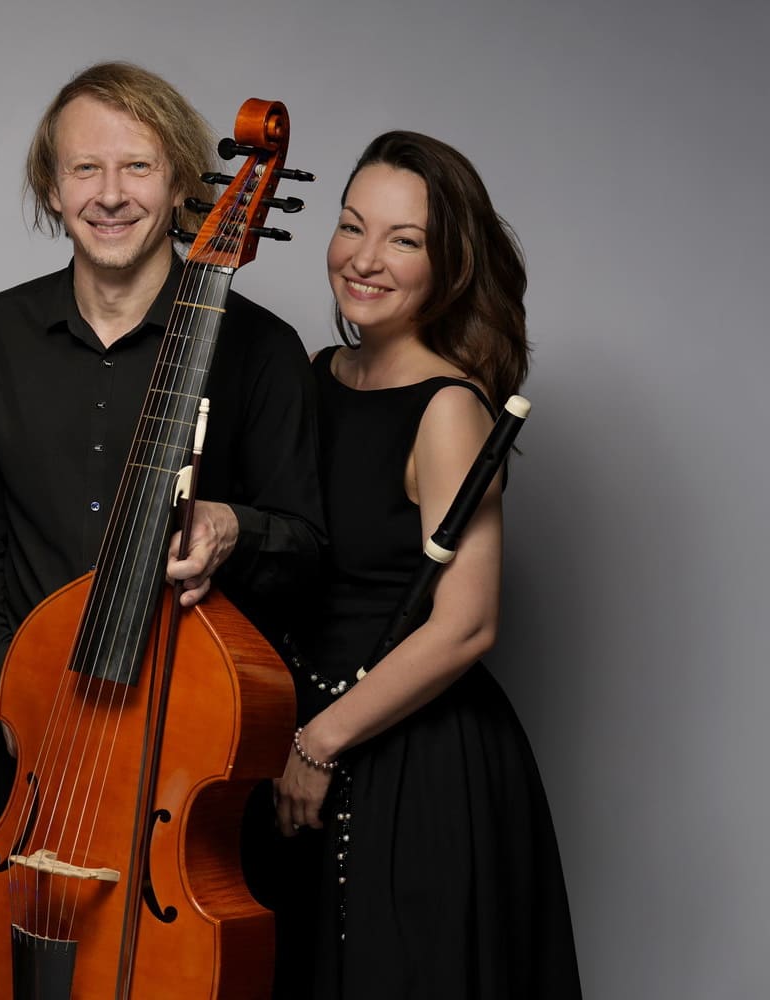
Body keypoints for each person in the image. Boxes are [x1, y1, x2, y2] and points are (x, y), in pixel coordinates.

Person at [0, 61, 324, 915]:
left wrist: (234, 528)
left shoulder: (263, 348)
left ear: (182, 182)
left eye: (138, 167)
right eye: (86, 168)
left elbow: (310, 552)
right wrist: (12, 686)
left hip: (188, 750)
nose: (111, 194)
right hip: (34, 749)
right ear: (52, 188)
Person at [276, 130, 581, 997]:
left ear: (448, 266)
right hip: (304, 735)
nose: (364, 259)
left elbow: (468, 625)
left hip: (411, 760)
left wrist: (320, 743)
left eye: (403, 240)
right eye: (351, 226)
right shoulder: (314, 374)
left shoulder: (450, 408)